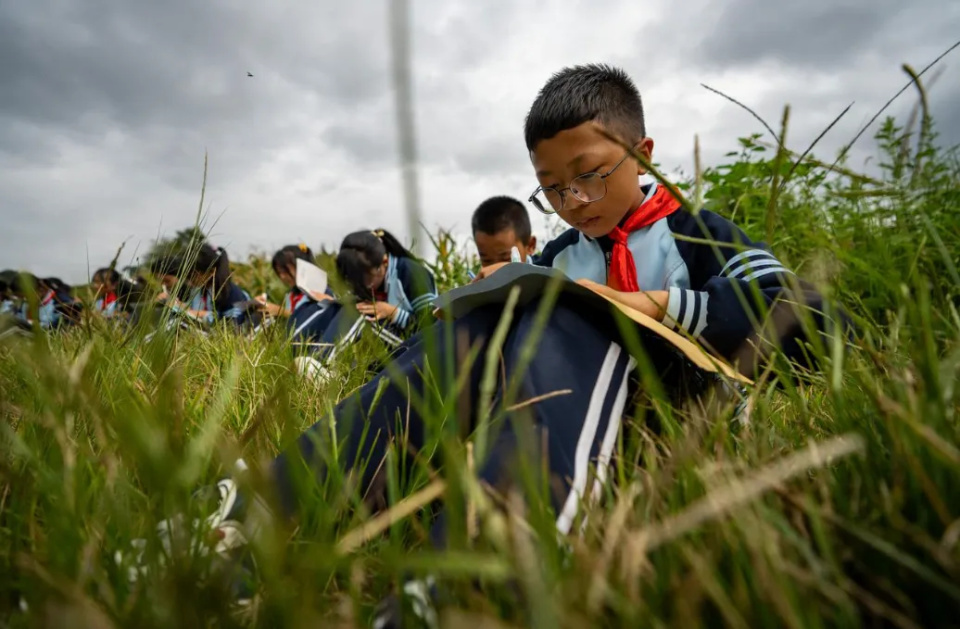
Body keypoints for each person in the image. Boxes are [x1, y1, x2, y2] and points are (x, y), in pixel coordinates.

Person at [132, 64, 847, 626]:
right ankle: (255, 511)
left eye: (590, 174)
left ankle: (473, 581)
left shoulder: (698, 231)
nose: (573, 201)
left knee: (565, 319)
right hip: (565, 392)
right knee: (485, 324)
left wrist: (648, 304)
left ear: (645, 154)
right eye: (551, 189)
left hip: (672, 400)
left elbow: (799, 311)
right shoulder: (564, 254)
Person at [335, 229, 438, 335]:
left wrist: (393, 313)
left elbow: (433, 326)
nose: (363, 287)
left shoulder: (412, 274)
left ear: (384, 262)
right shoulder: (366, 280)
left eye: (368, 280)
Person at [174, 244, 255, 328]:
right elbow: (192, 309)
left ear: (211, 272)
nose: (188, 280)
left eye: (192, 276)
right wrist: (179, 306)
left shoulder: (232, 294)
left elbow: (231, 327)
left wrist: (200, 314)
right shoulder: (199, 290)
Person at [471, 195, 538, 267]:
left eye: (506, 259)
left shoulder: (548, 276)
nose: (495, 269)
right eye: (487, 260)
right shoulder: (484, 277)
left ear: (530, 245)